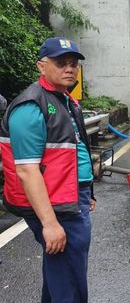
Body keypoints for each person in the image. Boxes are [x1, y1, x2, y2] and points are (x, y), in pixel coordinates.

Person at [0, 37, 96, 302]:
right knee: (70, 280)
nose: (69, 68)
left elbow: (75, 150)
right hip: (55, 204)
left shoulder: (65, 100)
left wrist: (88, 191)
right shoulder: (31, 107)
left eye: (73, 64)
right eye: (61, 63)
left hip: (71, 196)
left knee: (61, 271)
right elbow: (27, 171)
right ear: (41, 66)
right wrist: (50, 223)